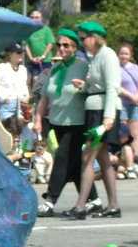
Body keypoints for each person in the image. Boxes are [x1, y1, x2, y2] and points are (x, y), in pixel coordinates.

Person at [32, 29, 101, 217]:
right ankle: (94, 199)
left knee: (62, 158)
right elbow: (44, 97)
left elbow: (95, 89)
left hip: (77, 122)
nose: (61, 49)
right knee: (74, 164)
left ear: (74, 47)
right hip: (57, 122)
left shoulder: (84, 66)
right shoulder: (55, 68)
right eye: (59, 45)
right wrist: (38, 119)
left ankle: (50, 200)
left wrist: (84, 88)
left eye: (66, 45)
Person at [67, 21, 122, 219]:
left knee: (87, 157)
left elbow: (112, 87)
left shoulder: (108, 55)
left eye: (83, 39)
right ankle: (113, 205)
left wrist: (108, 116)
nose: (81, 43)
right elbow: (96, 87)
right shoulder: (96, 56)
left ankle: (81, 206)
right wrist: (84, 86)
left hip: (102, 113)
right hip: (94, 111)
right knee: (102, 158)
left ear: (94, 37)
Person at [117, 42, 138, 174]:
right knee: (124, 134)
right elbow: (117, 86)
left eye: (126, 53)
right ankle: (124, 161)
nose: (124, 56)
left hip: (134, 104)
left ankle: (135, 159)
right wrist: (130, 95)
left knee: (134, 134)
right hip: (122, 103)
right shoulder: (116, 68)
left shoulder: (135, 68)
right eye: (122, 53)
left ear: (130, 55)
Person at [0, 43, 30, 136]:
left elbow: (25, 85)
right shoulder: (2, 68)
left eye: (21, 53)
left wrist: (27, 96)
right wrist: (3, 98)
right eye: (18, 53)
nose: (20, 55)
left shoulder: (23, 69)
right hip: (6, 106)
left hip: (21, 105)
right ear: (10, 54)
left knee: (19, 132)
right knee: (7, 131)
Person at [24, 10, 55, 85]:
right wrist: (31, 58)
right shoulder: (28, 31)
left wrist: (43, 56)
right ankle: (36, 95)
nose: (34, 19)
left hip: (46, 60)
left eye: (36, 17)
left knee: (46, 79)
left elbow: (50, 44)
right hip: (33, 61)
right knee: (35, 79)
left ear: (41, 19)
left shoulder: (46, 30)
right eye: (32, 17)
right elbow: (26, 45)